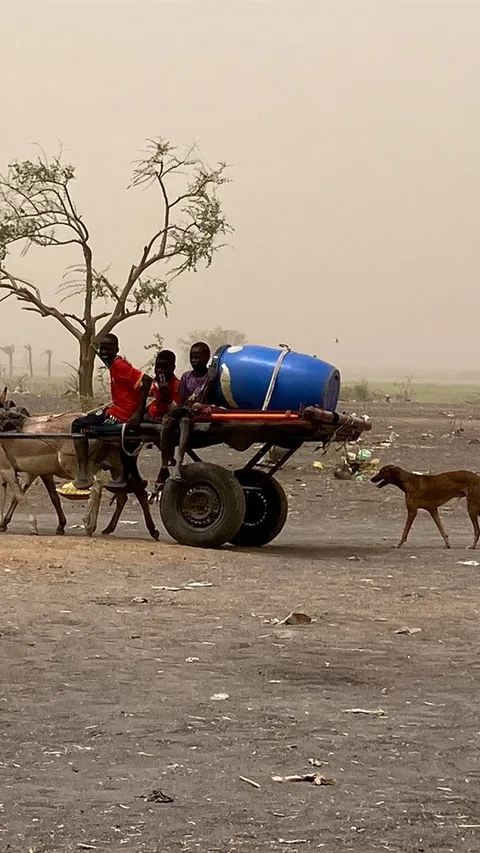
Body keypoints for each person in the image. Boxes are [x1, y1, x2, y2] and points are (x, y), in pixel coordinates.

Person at [67, 334, 151, 492]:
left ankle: (83, 475)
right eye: (101, 349)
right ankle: (133, 478)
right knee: (92, 417)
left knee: (78, 425)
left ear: (116, 349)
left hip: (121, 414)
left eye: (108, 348)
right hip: (118, 409)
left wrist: (137, 413)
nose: (104, 352)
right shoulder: (114, 363)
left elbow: (146, 381)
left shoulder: (119, 366)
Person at [157, 342, 214, 486]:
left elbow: (209, 398)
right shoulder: (186, 376)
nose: (194, 361)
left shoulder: (210, 377)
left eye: (198, 357)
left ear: (207, 358)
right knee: (166, 421)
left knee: (184, 423)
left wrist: (201, 404)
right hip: (185, 409)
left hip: (199, 412)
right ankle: (164, 464)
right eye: (192, 357)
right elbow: (182, 400)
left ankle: (179, 463)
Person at [146, 350, 181, 422]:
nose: (160, 371)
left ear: (173, 368)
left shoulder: (178, 386)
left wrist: (167, 397)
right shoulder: (151, 384)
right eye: (157, 367)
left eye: (164, 368)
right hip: (149, 422)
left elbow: (178, 411)